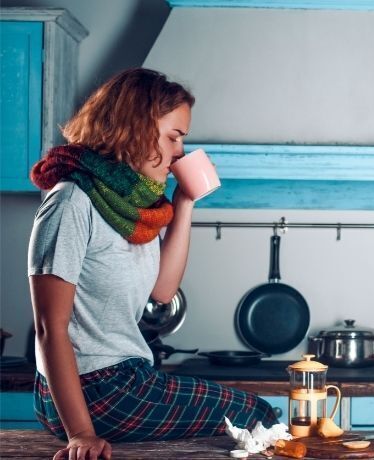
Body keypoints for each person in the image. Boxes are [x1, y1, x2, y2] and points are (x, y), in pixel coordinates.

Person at [28, 68, 278, 460]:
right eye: (173, 136)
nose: (179, 151)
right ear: (134, 127)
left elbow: (162, 291)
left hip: (124, 380)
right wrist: (81, 433)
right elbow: (49, 328)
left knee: (250, 424)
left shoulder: (133, 207)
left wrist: (185, 202)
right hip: (96, 388)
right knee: (260, 415)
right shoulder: (71, 202)